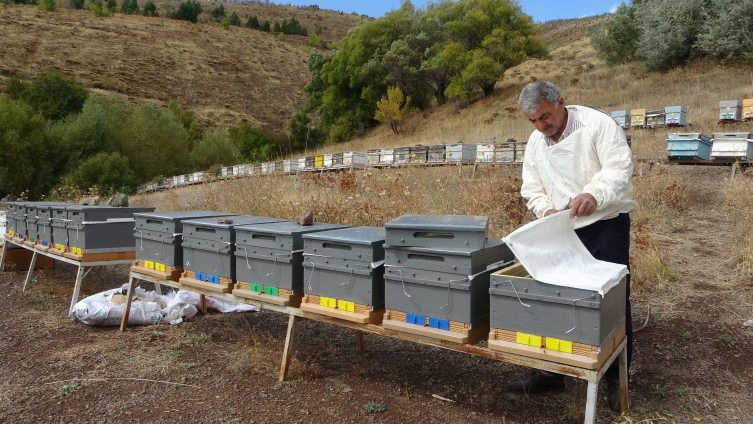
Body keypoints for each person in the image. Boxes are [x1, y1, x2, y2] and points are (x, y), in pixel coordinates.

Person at [509, 81, 638, 411]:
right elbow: (531, 186)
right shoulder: (536, 141)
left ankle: (615, 380)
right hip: (561, 226)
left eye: (545, 117)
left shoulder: (598, 125)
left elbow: (618, 167)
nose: (541, 126)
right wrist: (545, 210)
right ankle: (551, 372)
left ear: (561, 103)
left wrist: (594, 194)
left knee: (609, 297)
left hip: (605, 222)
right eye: (533, 121)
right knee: (555, 295)